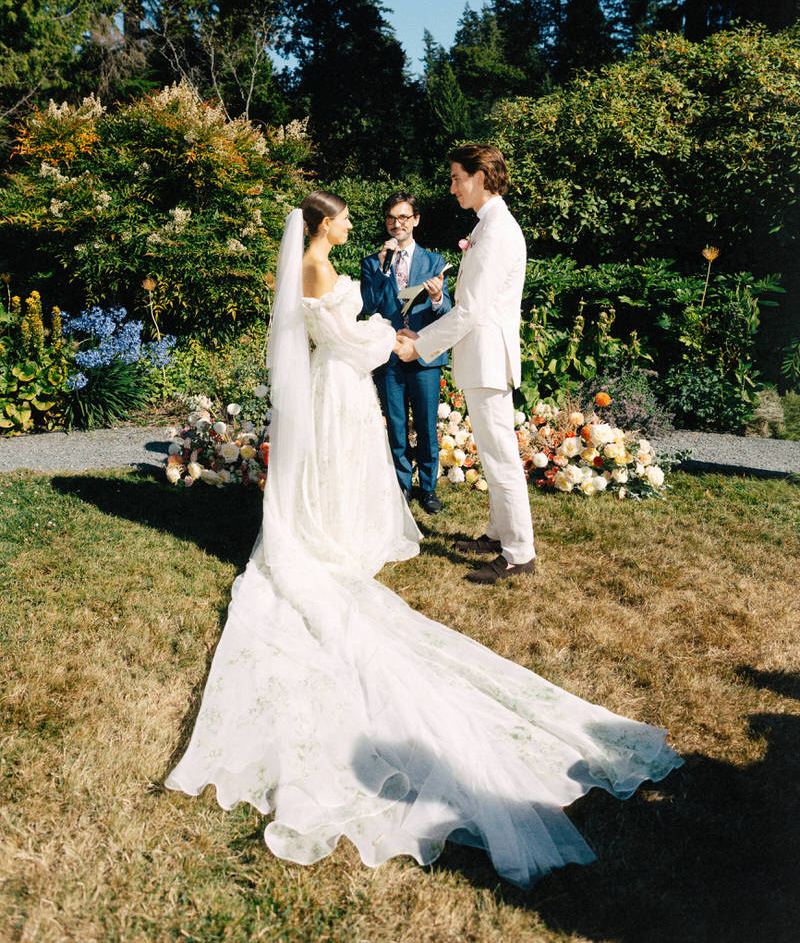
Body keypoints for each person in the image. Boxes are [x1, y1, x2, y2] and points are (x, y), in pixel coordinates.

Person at [166, 190, 682, 890]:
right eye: (344, 216)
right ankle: (333, 535)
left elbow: (405, 320)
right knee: (341, 466)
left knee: (351, 466)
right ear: (323, 226)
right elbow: (340, 337)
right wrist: (384, 336)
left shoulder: (362, 255)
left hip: (351, 381)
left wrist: (390, 337)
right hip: (339, 379)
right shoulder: (318, 266)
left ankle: (357, 531)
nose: (356, 224)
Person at [394, 144, 535, 586]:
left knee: (500, 457)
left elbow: (471, 310)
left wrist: (420, 347)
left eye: (457, 177)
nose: (452, 186)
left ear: (481, 176)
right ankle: (497, 535)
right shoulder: (486, 227)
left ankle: (518, 553)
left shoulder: (497, 232)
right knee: (494, 455)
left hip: (489, 359)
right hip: (479, 358)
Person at [361, 191, 451, 513]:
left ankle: (428, 489)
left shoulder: (434, 261)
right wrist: (383, 269)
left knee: (426, 425)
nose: (396, 223)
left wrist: (439, 298)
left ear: (415, 220)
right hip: (388, 355)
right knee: (396, 425)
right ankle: (401, 486)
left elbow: (448, 311)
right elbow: (369, 307)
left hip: (424, 355)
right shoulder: (372, 262)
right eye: (391, 217)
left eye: (403, 217)